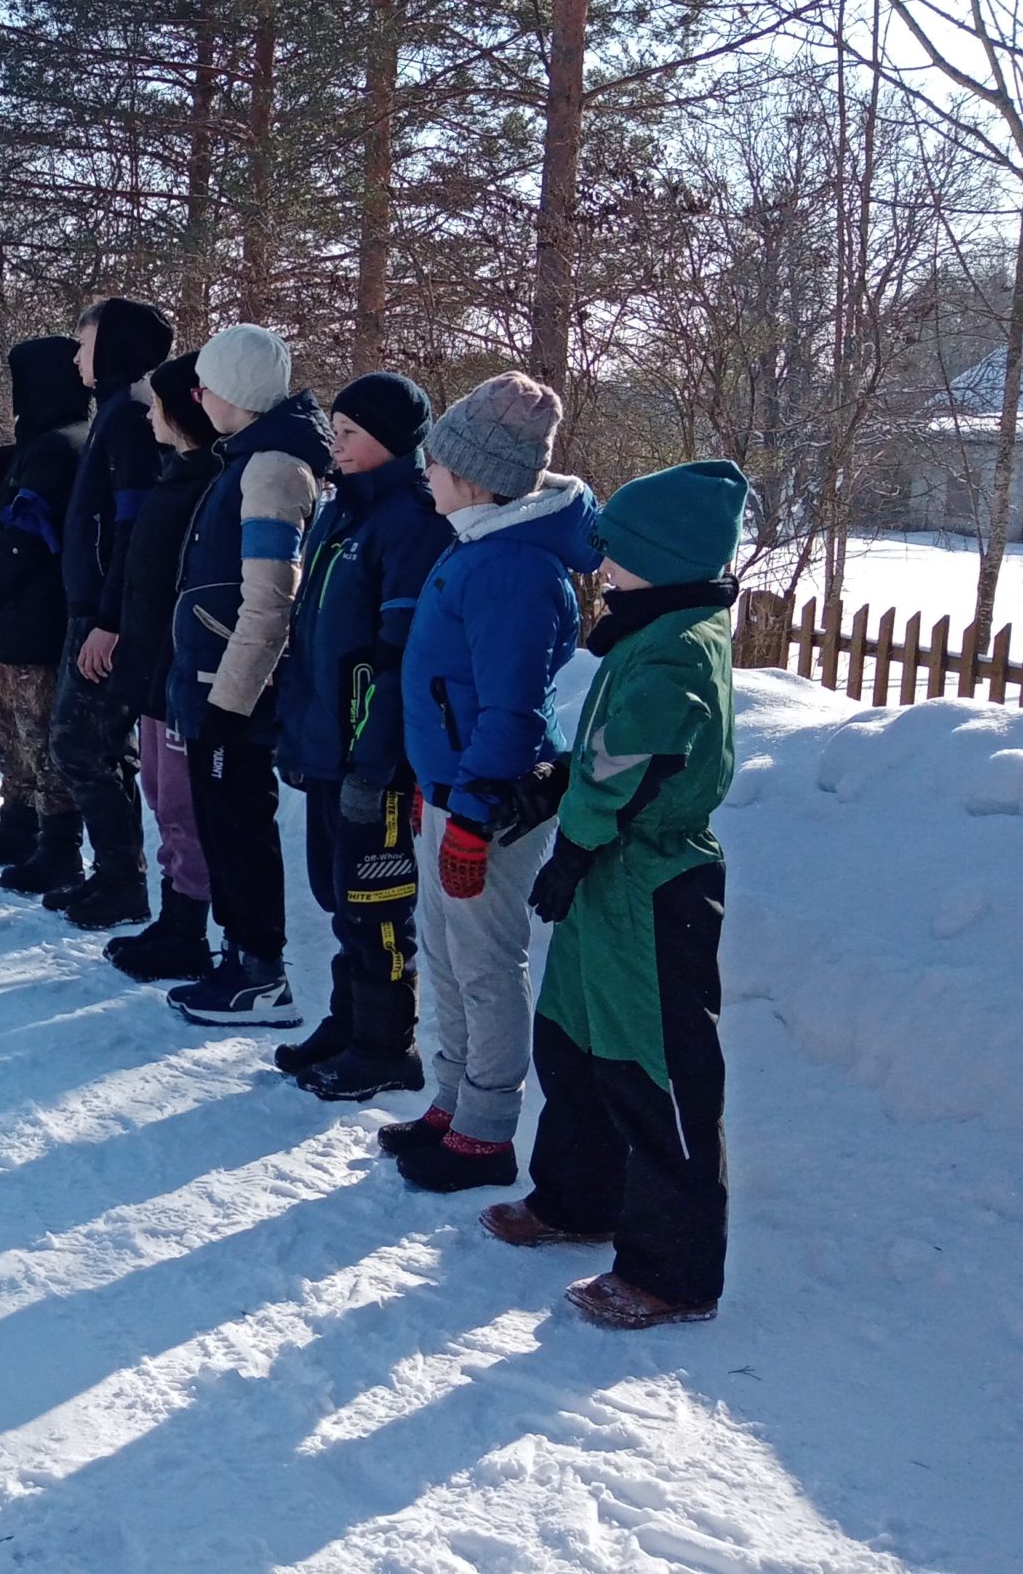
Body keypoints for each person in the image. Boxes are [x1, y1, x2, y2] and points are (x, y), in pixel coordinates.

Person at [487, 459, 746, 1330]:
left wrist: (575, 840)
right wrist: (555, 782)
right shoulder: (652, 625)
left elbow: (634, 765)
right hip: (611, 873)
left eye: (618, 554)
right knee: (574, 1042)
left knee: (654, 1070)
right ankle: (575, 1199)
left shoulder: (677, 647)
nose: (602, 568)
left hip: (651, 883)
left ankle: (673, 1273)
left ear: (665, 561)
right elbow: (605, 751)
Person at [385, 372, 600, 1194]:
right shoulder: (476, 543)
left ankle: (486, 1129)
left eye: (434, 462)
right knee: (443, 952)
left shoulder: (511, 568)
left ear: (473, 475)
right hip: (451, 792)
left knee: (484, 961)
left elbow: (510, 710)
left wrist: (472, 811)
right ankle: (451, 1101)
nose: (424, 474)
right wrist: (432, 786)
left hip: (491, 805)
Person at [272, 372, 451, 1097]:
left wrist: (375, 761)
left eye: (349, 433)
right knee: (337, 894)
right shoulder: (340, 512)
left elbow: (399, 654)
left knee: (376, 904)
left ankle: (386, 1042)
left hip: (373, 759)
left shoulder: (411, 520)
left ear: (389, 440)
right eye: (336, 430)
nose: (334, 444)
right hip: (325, 744)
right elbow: (311, 635)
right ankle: (347, 1020)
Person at [163, 322, 331, 1026]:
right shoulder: (254, 458)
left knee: (239, 827)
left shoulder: (271, 469)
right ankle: (242, 960)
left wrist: (232, 701)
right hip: (215, 681)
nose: (196, 397)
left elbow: (269, 596)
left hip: (234, 692)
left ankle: (261, 971)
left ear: (230, 391)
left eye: (204, 385)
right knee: (223, 823)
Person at [38, 296, 178, 916]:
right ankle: (116, 874)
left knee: (77, 745)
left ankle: (123, 882)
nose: (75, 356)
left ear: (114, 345)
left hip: (104, 616)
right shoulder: (115, 411)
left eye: (84, 342)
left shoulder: (131, 415)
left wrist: (110, 621)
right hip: (89, 608)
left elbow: (134, 528)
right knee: (98, 748)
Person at [98, 352, 224, 976]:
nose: (148, 414)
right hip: (153, 670)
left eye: (158, 405)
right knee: (158, 790)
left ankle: (189, 929)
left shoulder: (208, 482)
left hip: (179, 670)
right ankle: (172, 919)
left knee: (181, 802)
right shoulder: (177, 473)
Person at [0, 335, 91, 867]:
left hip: (40, 616)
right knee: (15, 729)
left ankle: (57, 845)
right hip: (25, 615)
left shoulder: (57, 446)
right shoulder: (61, 439)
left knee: (39, 733)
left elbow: (21, 536)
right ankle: (19, 825)